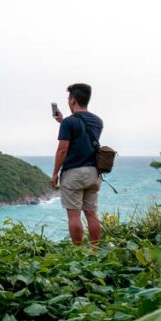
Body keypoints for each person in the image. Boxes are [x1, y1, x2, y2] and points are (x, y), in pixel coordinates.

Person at [51, 83, 104, 245]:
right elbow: (82, 137)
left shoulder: (69, 122)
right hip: (94, 173)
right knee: (91, 214)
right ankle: (95, 251)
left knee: (74, 216)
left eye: (69, 98)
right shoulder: (97, 121)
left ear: (73, 100)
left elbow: (62, 150)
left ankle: (78, 251)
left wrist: (55, 174)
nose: (68, 101)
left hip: (74, 174)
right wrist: (63, 121)